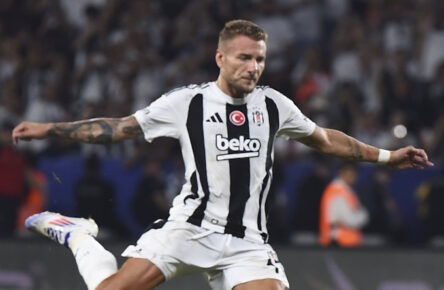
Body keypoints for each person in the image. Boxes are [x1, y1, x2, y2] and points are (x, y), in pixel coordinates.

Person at [12, 19, 433, 290]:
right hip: (189, 229)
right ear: (221, 58)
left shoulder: (274, 105)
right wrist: (51, 128)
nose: (254, 67)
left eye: (260, 60)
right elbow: (117, 129)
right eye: (245, 58)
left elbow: (325, 139)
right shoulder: (186, 103)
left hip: (246, 241)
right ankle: (80, 235)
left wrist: (386, 157)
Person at [319, 162, 368, 247]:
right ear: (341, 173)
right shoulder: (336, 192)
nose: (353, 178)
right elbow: (350, 220)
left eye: (354, 175)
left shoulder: (348, 191)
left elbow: (362, 214)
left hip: (348, 242)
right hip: (338, 243)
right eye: (350, 174)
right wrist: (362, 217)